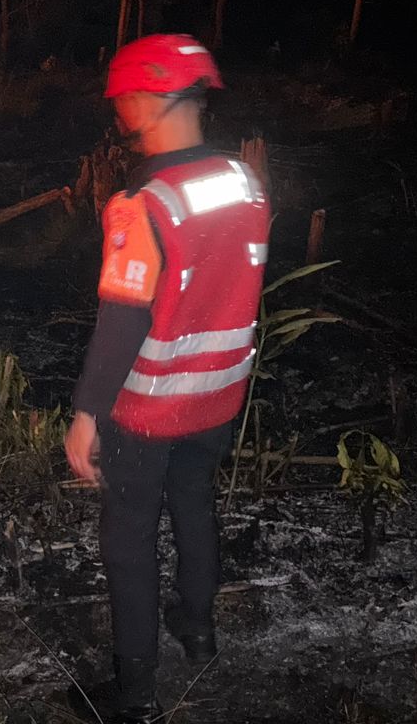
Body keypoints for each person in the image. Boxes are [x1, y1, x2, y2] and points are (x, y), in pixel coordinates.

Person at [64, 35, 271, 720]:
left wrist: (88, 412)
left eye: (125, 97)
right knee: (195, 505)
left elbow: (123, 320)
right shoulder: (244, 181)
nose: (120, 110)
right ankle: (199, 631)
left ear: (152, 99)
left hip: (150, 408)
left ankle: (135, 696)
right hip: (219, 396)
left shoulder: (142, 203)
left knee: (127, 538)